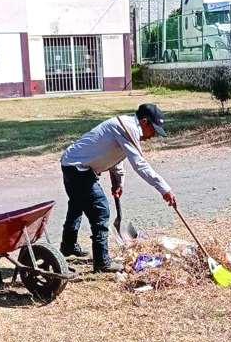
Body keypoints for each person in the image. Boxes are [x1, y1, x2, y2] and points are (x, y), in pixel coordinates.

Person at [60, 103, 177, 272]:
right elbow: (140, 165)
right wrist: (165, 189)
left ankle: (68, 245)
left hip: (71, 163)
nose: (153, 136)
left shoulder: (125, 126)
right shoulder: (128, 128)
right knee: (100, 210)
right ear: (145, 122)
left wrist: (118, 182)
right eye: (154, 130)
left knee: (77, 204)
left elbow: (116, 154)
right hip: (78, 168)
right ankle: (102, 262)